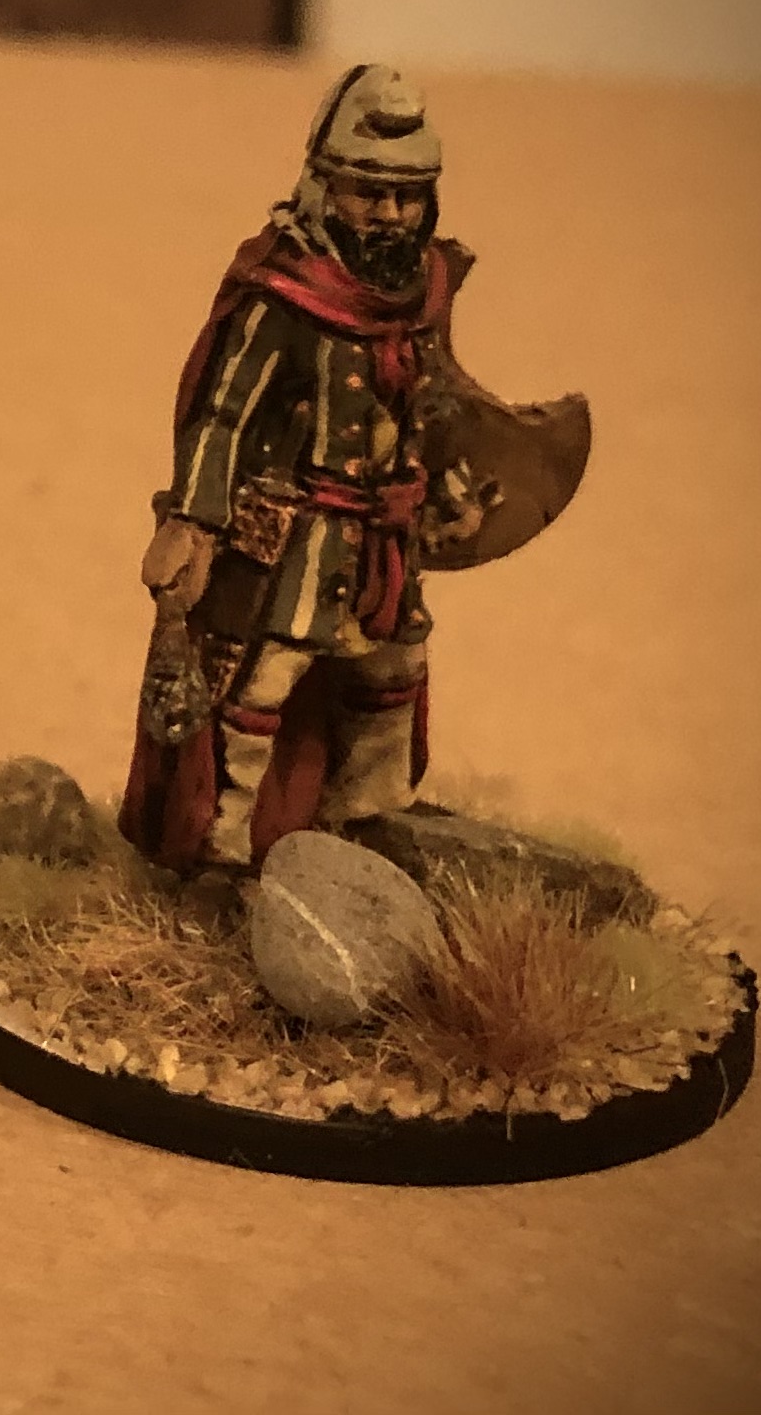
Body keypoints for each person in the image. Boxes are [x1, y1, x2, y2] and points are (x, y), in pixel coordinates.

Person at [123, 64, 524, 873]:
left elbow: (432, 405)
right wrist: (193, 520)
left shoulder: (420, 292)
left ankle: (369, 826)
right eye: (368, 193)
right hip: (299, 539)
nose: (390, 214)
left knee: (392, 674)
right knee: (260, 687)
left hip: (387, 538)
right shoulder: (283, 293)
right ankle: (224, 845)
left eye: (406, 196)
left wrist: (448, 491)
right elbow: (223, 413)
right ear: (323, 186)